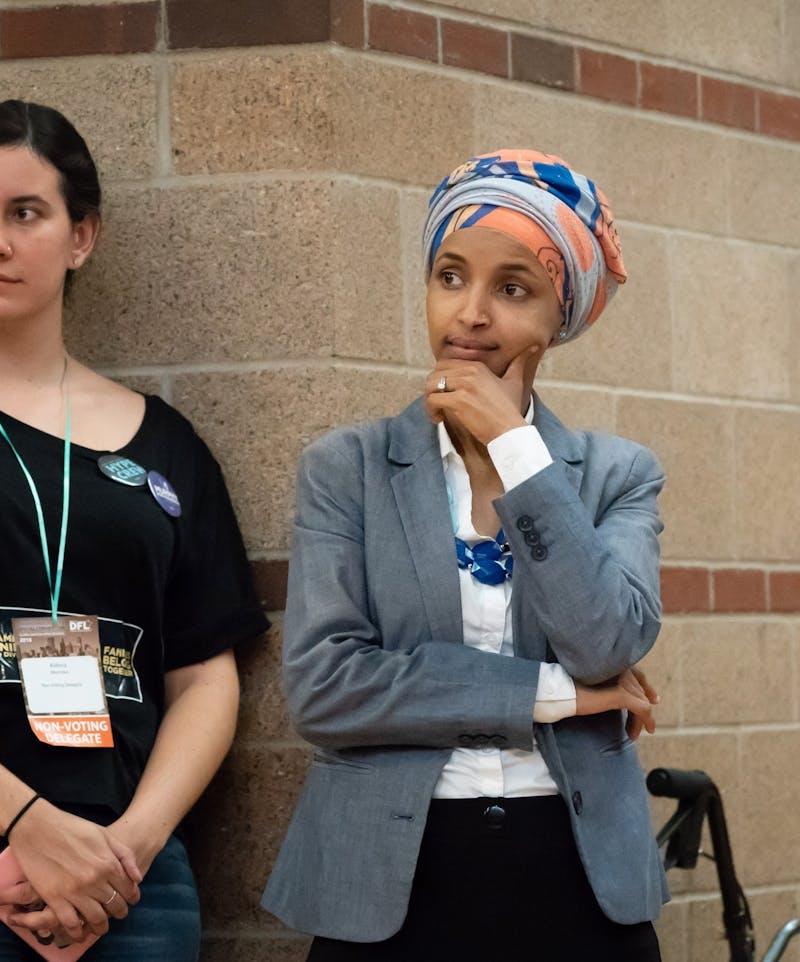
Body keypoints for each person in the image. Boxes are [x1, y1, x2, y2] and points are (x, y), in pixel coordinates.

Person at [0, 100, 268, 959]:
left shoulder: (169, 446)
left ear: (82, 237)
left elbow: (205, 681)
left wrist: (131, 846)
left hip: (129, 872)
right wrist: (28, 821)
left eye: (26, 213)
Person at [262, 150, 666, 960]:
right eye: (450, 276)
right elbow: (326, 688)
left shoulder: (618, 474)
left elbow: (610, 642)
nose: (470, 314)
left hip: (575, 876)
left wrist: (518, 451)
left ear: (560, 317)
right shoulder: (348, 468)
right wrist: (557, 695)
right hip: (390, 885)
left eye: (512, 288)